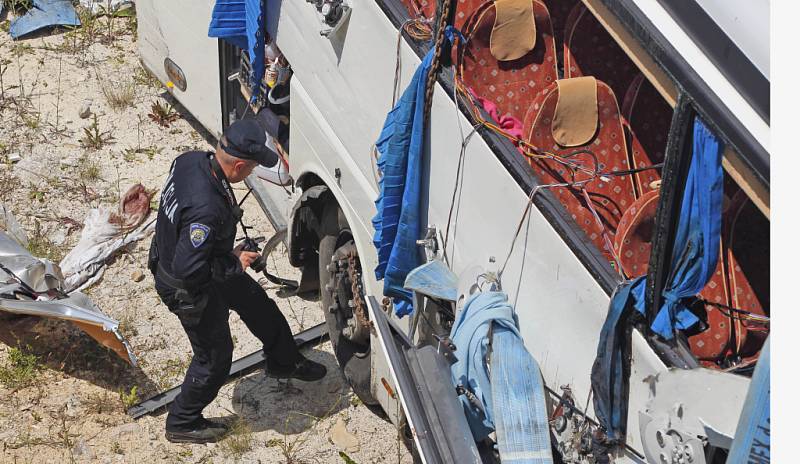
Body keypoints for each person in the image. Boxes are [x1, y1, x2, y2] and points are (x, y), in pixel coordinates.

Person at [148, 118, 326, 444]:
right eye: (254, 166)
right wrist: (232, 261)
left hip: (196, 260)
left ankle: (284, 362)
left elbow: (191, 233)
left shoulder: (191, 161)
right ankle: (182, 421)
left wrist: (227, 255)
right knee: (214, 358)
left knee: (259, 306)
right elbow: (190, 269)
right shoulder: (207, 209)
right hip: (187, 286)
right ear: (240, 165)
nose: (254, 172)